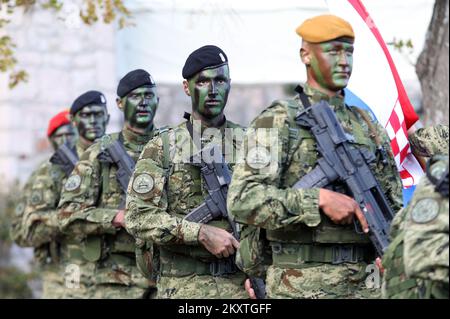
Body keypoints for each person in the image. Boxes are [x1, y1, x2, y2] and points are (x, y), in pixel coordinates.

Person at [227, 14, 403, 299]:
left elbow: (393, 204)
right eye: (333, 51)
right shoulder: (279, 121)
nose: (344, 61)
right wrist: (317, 200)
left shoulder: (368, 125)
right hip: (299, 285)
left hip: (367, 285)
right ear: (306, 55)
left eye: (349, 52)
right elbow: (243, 199)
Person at [125, 45, 248, 299]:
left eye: (220, 80)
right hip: (183, 289)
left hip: (242, 288)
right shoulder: (163, 146)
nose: (213, 90)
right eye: (203, 81)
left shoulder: (252, 144)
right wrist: (200, 233)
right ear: (186, 87)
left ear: (230, 84)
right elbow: (138, 217)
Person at [57, 70, 160, 298]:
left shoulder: (175, 149)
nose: (143, 102)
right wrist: (116, 218)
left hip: (168, 280)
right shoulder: (99, 153)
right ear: (120, 104)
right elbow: (67, 215)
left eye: (148, 96)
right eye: (134, 97)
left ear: (158, 100)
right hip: (116, 282)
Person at [11, 91, 109, 298]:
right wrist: (76, 217)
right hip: (65, 276)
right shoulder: (47, 173)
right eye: (59, 136)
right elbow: (23, 232)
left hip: (110, 273)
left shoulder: (108, 161)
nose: (65, 141)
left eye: (68, 135)